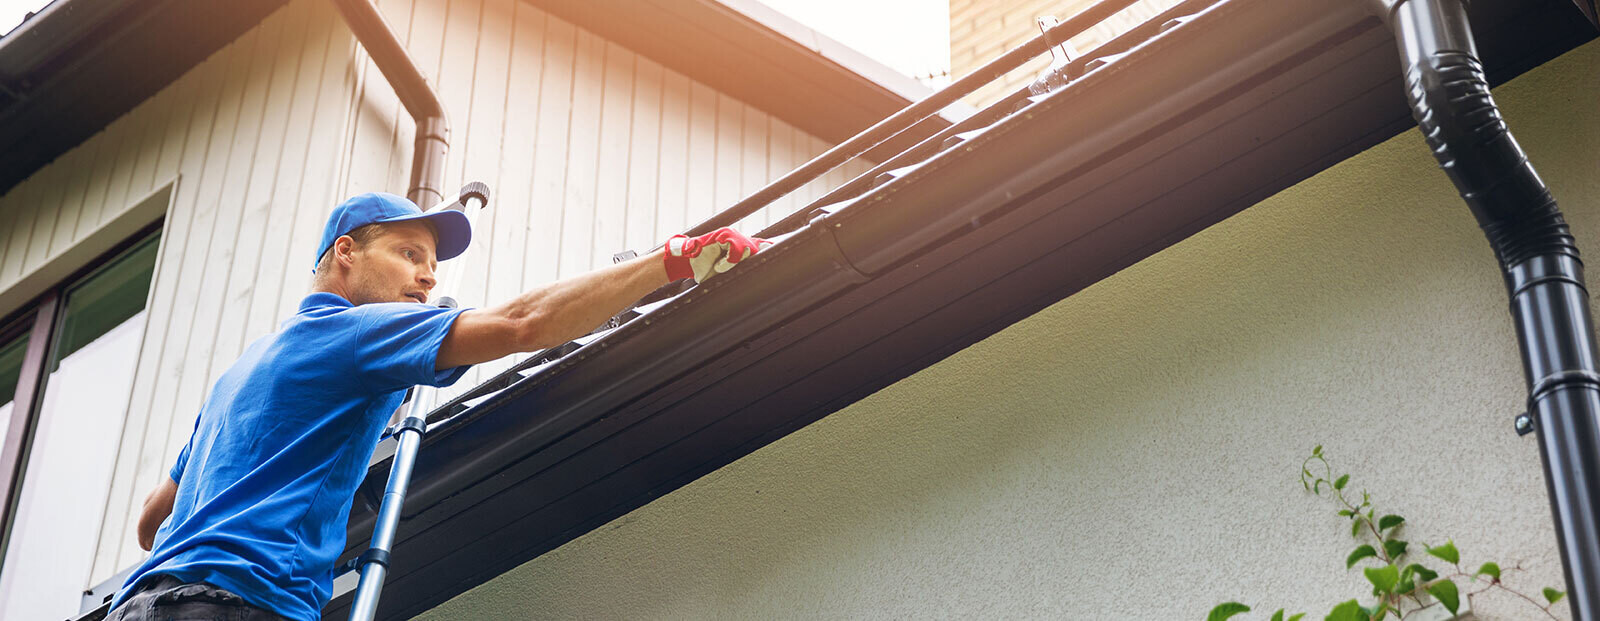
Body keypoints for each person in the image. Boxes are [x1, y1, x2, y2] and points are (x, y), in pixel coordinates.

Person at [105, 192, 767, 621]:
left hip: (141, 603)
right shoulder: (356, 332)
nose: (428, 276)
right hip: (238, 606)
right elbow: (521, 322)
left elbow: (150, 519)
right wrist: (670, 261)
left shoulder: (239, 374)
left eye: (432, 265)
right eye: (409, 254)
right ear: (346, 255)